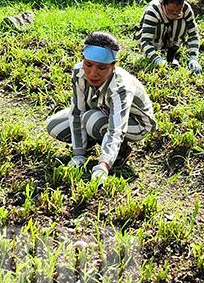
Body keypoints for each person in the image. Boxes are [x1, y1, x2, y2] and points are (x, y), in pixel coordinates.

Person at [45, 32, 157, 184]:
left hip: (136, 124)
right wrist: (78, 155)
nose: (92, 73)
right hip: (101, 110)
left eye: (101, 68)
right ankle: (89, 144)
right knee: (54, 125)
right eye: (88, 64)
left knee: (92, 120)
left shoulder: (121, 86)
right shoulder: (79, 73)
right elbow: (77, 111)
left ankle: (119, 153)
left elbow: (117, 128)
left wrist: (103, 165)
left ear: (113, 66)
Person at [136, 0, 202, 72]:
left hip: (169, 38)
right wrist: (157, 60)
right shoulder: (154, 10)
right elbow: (145, 41)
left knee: (181, 23)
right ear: (163, 4)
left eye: (178, 10)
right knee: (161, 27)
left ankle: (170, 56)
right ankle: (159, 55)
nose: (175, 14)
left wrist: (193, 58)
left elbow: (193, 34)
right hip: (150, 40)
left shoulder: (186, 9)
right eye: (171, 11)